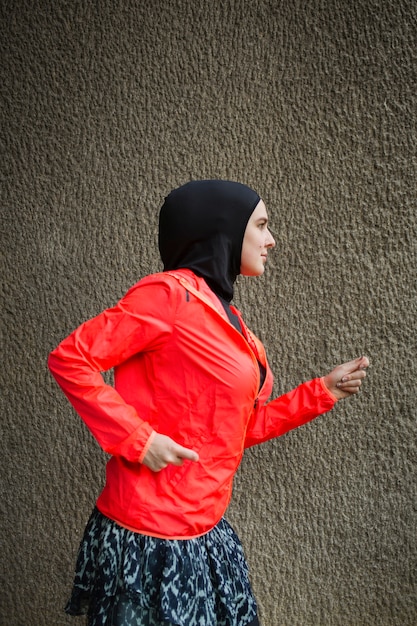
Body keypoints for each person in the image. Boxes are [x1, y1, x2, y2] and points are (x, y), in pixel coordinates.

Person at [48, 180, 368, 626]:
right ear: (224, 230)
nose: (271, 239)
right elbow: (72, 359)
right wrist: (139, 440)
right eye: (261, 225)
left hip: (207, 530)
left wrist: (322, 393)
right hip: (152, 539)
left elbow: (235, 429)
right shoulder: (167, 296)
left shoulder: (227, 315)